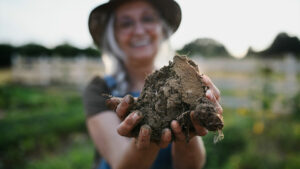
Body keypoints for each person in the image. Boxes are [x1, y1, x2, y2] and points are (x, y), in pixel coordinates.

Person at [83, 0, 223, 169]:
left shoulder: (182, 81)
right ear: (114, 36)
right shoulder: (99, 88)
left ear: (162, 28)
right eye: (126, 24)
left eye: (148, 19)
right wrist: (152, 131)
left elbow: (191, 166)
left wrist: (191, 126)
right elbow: (121, 165)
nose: (139, 31)